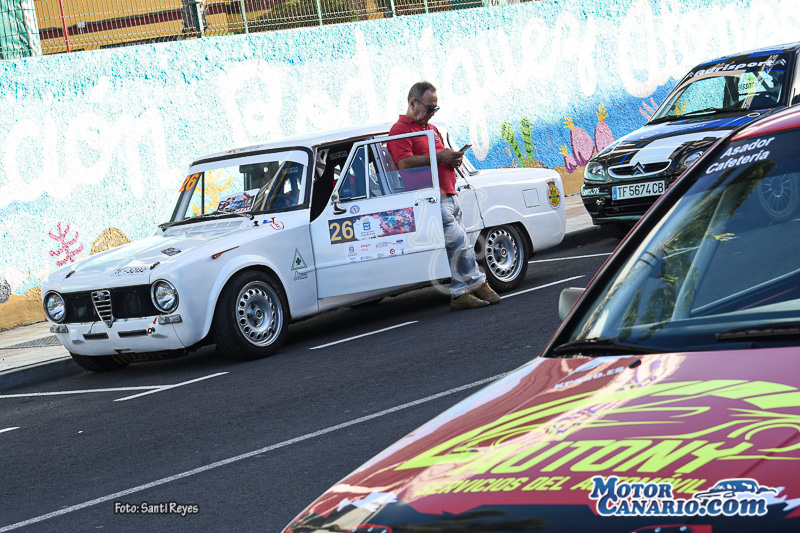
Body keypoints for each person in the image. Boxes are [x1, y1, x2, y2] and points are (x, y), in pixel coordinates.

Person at [387, 81, 501, 311]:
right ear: (413, 103)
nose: (432, 113)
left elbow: (438, 156)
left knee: (458, 245)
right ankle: (475, 284)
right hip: (430, 198)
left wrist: (453, 158)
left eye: (435, 109)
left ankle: (461, 291)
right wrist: (440, 157)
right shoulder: (400, 130)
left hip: (449, 192)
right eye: (429, 108)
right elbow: (404, 163)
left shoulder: (431, 129)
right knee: (459, 242)